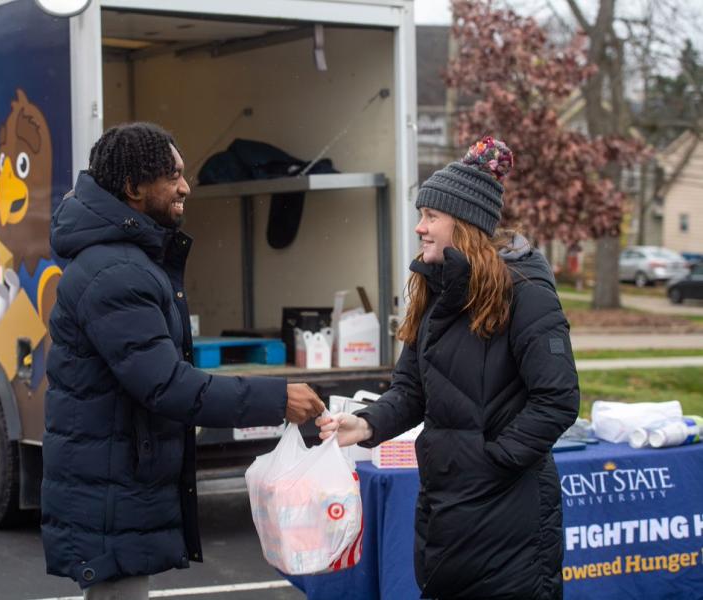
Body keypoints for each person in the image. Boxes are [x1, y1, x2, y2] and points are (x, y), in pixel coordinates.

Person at [41, 122, 325, 600]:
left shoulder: (126, 261)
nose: (186, 187)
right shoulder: (115, 272)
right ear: (133, 188)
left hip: (117, 478)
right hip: (112, 486)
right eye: (172, 176)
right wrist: (276, 398)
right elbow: (167, 385)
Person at [318, 137, 579, 600]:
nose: (419, 228)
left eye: (430, 216)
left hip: (511, 521)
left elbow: (558, 399)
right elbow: (411, 391)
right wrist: (363, 424)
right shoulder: (436, 292)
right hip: (447, 514)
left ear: (465, 224)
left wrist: (493, 460)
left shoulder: (526, 291)